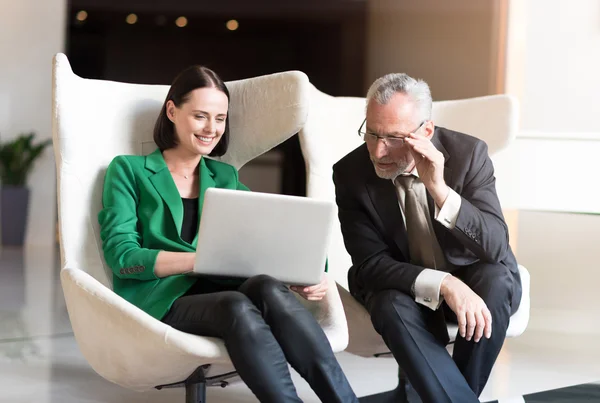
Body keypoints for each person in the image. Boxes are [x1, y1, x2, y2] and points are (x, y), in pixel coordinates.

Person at [98, 65, 358, 403]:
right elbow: (123, 257)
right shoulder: (128, 170)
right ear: (172, 111)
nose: (212, 129)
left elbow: (274, 233)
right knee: (235, 305)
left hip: (223, 288)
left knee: (265, 286)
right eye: (201, 116)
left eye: (220, 118)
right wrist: (197, 261)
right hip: (163, 299)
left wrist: (310, 271)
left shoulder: (224, 176)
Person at [332, 73, 522, 402]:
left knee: (496, 280)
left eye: (393, 138)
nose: (378, 151)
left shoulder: (468, 155)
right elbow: (370, 265)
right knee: (388, 302)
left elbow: (495, 246)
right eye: (372, 133)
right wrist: (445, 284)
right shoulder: (350, 173)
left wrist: (440, 190)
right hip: (403, 290)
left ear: (426, 132)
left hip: (473, 284)